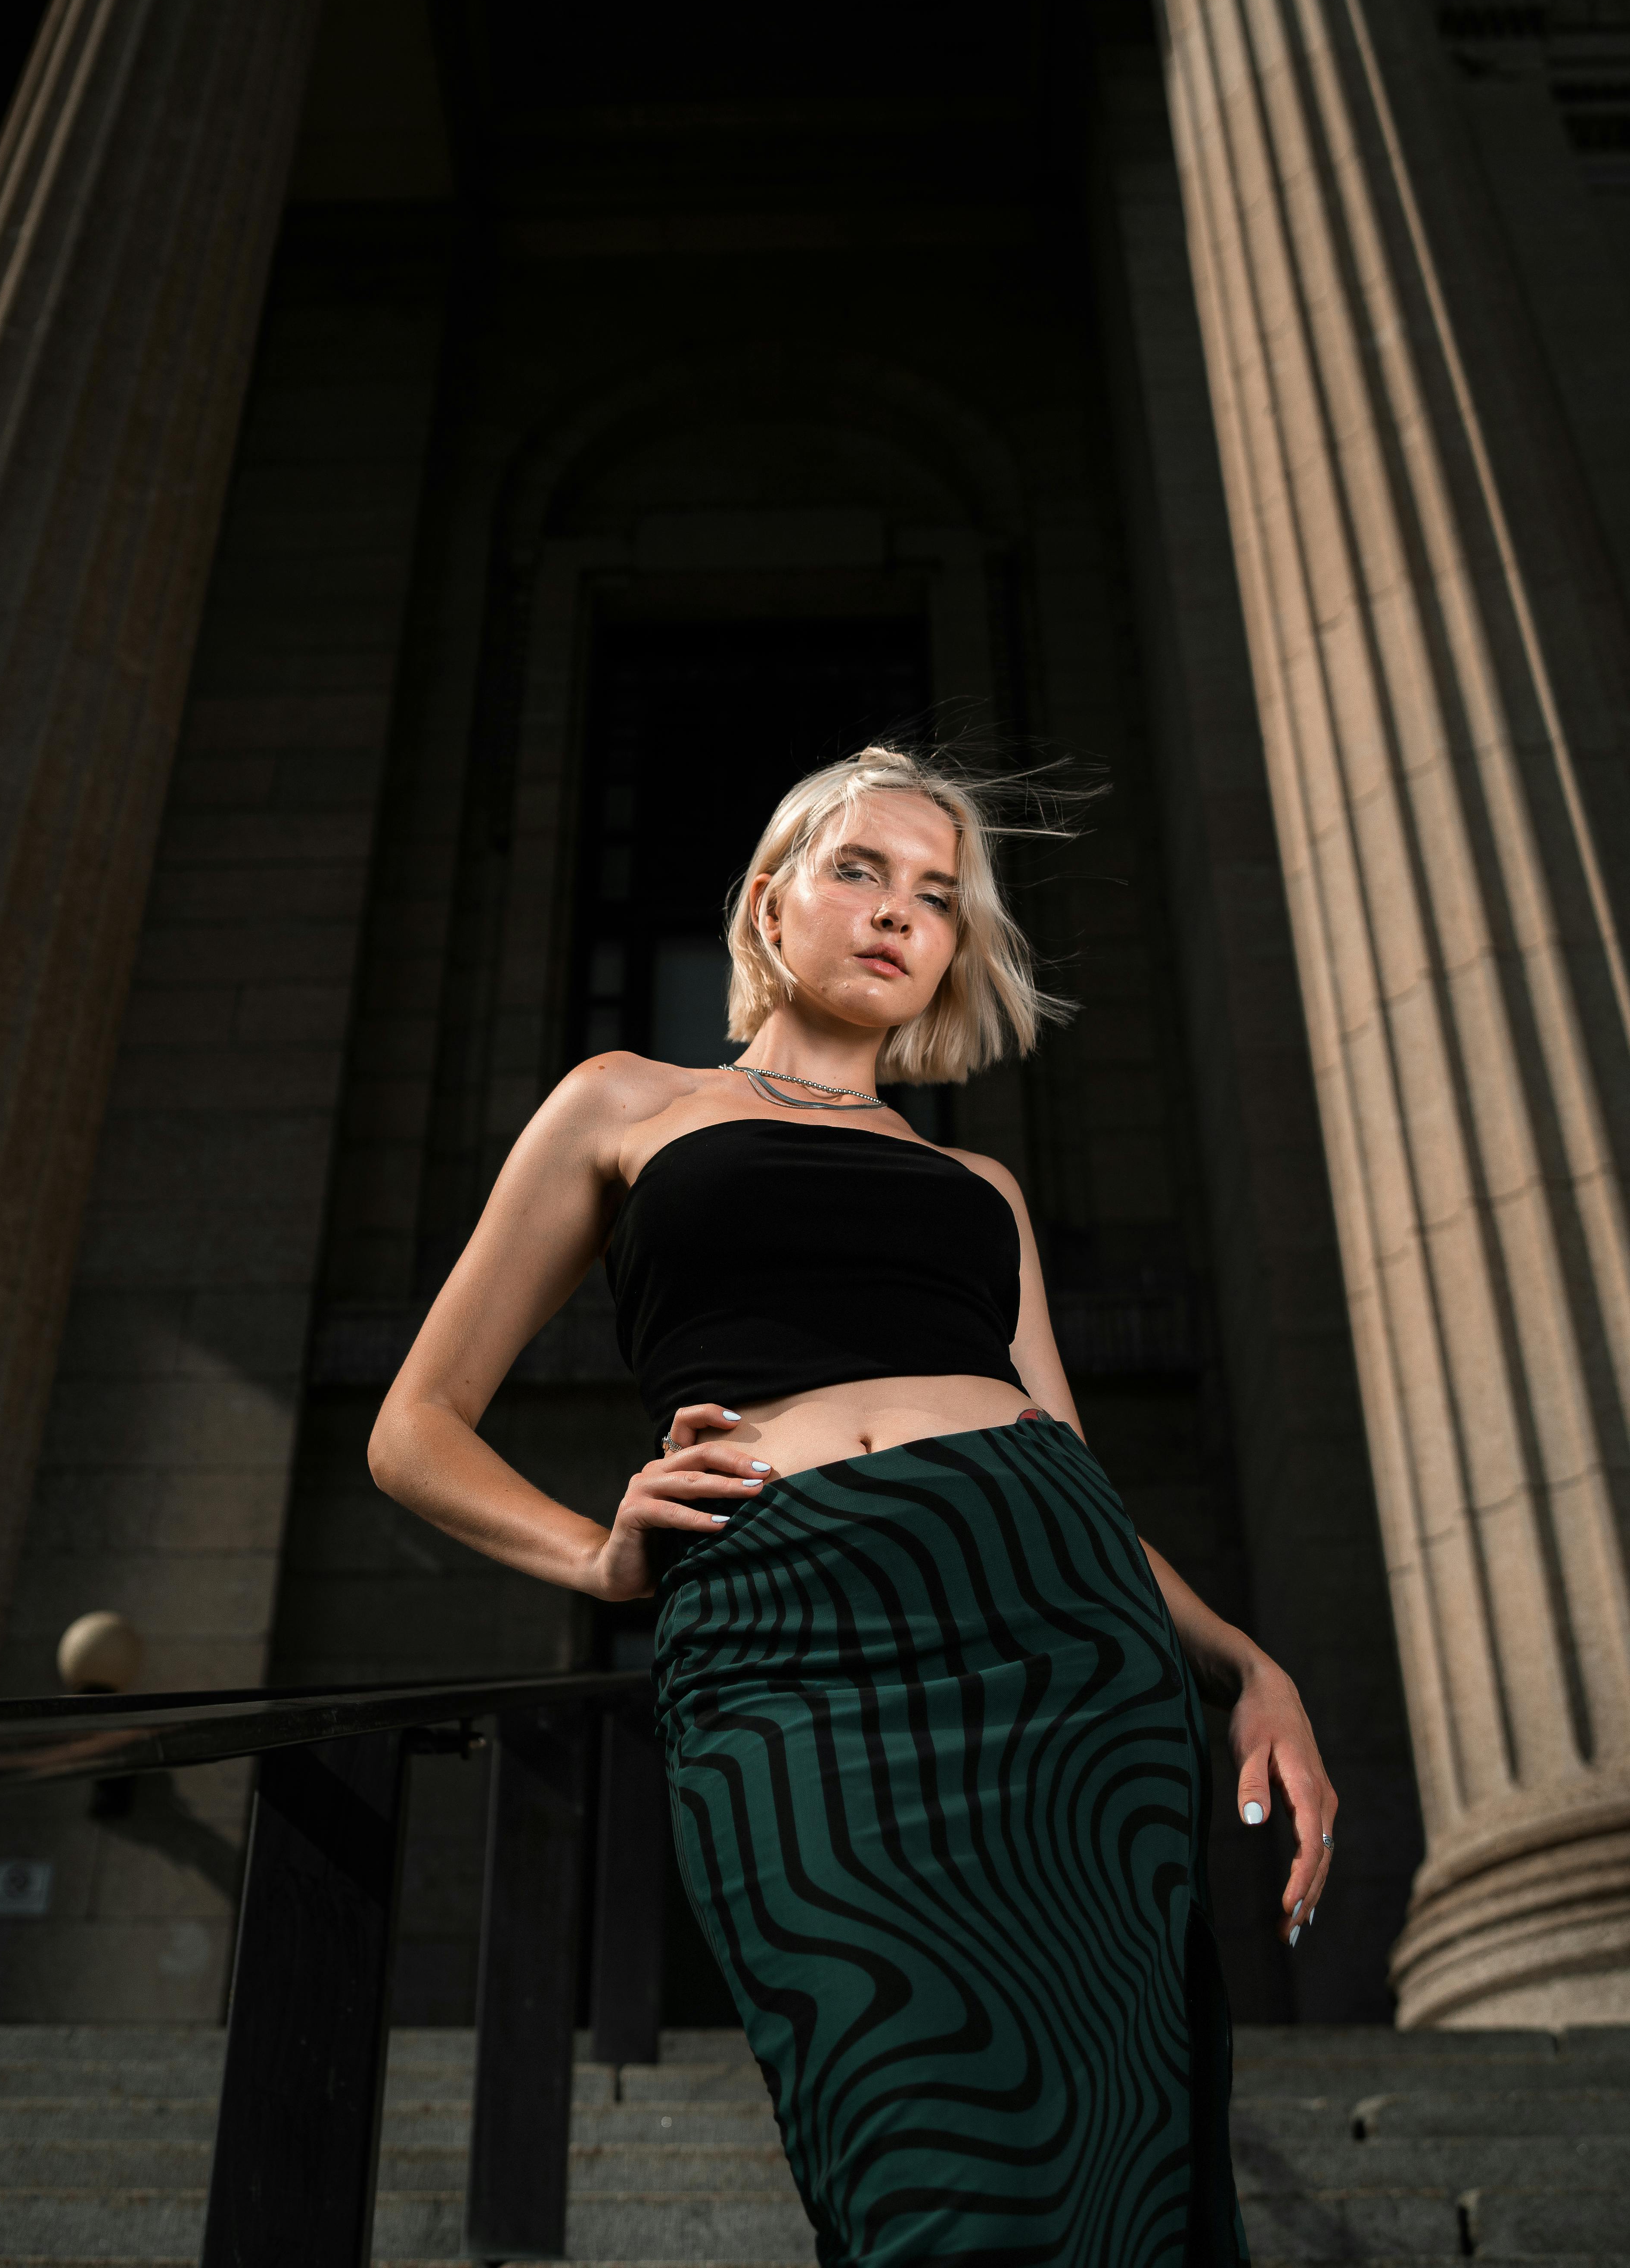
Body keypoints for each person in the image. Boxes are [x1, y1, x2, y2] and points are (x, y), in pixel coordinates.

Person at [368, 744, 1337, 2267]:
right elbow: (412, 1428)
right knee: (907, 2138)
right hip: (791, 1639)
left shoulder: (984, 1189)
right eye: (861, 871)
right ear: (771, 898)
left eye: (939, 896)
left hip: (1061, 1648)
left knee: (1101, 2154)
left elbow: (1073, 1464)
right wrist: (598, 1557)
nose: (900, 915)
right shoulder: (626, 1104)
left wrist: (1242, 1660)